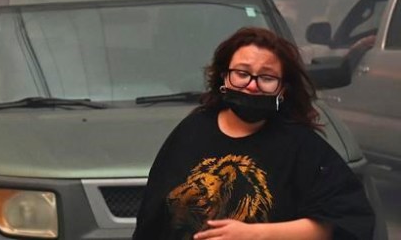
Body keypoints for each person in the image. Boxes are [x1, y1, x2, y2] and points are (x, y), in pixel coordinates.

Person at [134, 26, 374, 240]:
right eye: (242, 73)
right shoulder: (191, 133)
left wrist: (255, 234)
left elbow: (348, 223)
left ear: (282, 89)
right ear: (224, 77)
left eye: (266, 78)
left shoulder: (302, 147)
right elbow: (152, 219)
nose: (252, 85)